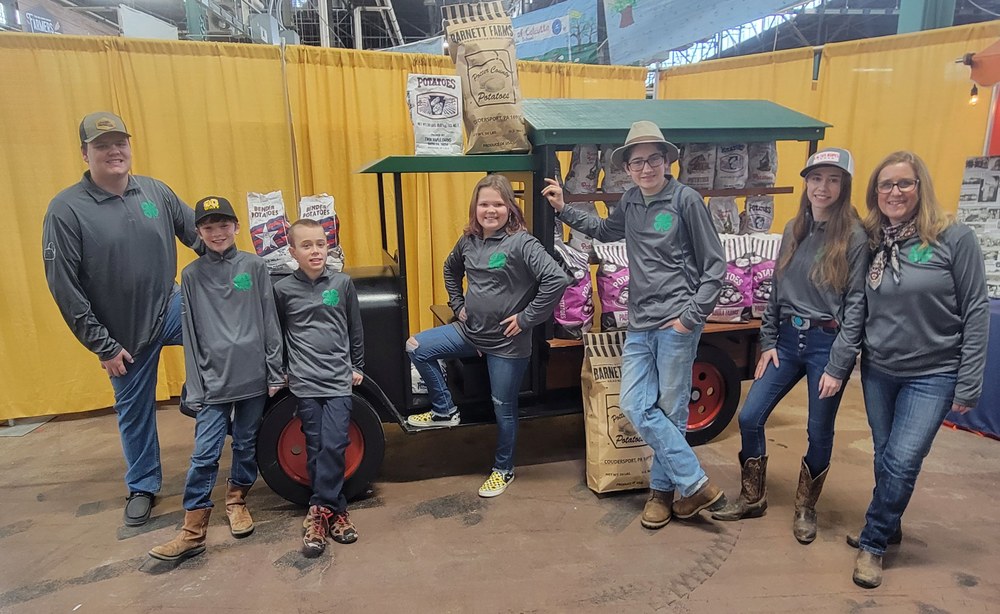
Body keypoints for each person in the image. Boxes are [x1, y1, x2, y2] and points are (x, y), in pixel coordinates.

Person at [542, 120, 728, 529]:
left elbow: (716, 266)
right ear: (627, 167)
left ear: (667, 161)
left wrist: (689, 318)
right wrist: (564, 208)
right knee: (634, 404)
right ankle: (695, 483)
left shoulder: (686, 201)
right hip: (639, 321)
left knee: (672, 410)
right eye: (637, 162)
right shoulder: (630, 200)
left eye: (653, 159)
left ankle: (661, 495)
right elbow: (606, 230)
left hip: (677, 321)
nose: (646, 168)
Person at [41, 112, 200, 527]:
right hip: (122, 336)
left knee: (227, 336)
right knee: (134, 411)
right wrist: (103, 345)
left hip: (171, 307)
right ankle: (144, 485)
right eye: (102, 145)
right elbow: (65, 288)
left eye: (120, 142)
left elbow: (201, 236)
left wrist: (243, 276)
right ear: (84, 153)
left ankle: (198, 396)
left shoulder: (156, 192)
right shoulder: (66, 210)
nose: (114, 151)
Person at [711, 148, 868, 545]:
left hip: (827, 343)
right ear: (806, 183)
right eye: (816, 178)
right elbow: (776, 291)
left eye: (833, 179)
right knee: (749, 416)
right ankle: (752, 496)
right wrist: (766, 341)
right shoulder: (793, 228)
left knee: (819, 429)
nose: (823, 187)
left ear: (845, 185)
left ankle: (805, 507)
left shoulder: (853, 236)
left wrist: (839, 364)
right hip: (786, 339)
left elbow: (857, 306)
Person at [850, 151, 989, 588]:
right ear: (875, 192)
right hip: (879, 369)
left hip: (934, 372)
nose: (894, 192)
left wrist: (968, 382)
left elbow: (977, 309)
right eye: (885, 184)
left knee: (904, 460)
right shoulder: (872, 239)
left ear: (920, 187)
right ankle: (889, 525)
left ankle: (873, 544)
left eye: (904, 183)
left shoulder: (953, 237)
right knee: (885, 455)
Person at [405, 175, 570, 498]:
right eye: (484, 204)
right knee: (416, 346)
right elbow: (450, 268)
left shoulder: (522, 243)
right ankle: (443, 409)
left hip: (507, 345)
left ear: (510, 207)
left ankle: (503, 469)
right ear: (475, 208)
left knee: (502, 407)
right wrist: (457, 304)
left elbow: (557, 280)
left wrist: (526, 318)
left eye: (498, 203)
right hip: (470, 333)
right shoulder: (469, 241)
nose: (490, 210)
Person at [147, 196, 284, 561]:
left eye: (224, 225)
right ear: (198, 233)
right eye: (208, 227)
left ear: (236, 227)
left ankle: (237, 501)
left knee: (245, 442)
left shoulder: (254, 267)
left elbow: (269, 319)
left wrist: (275, 370)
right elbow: (190, 333)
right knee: (204, 453)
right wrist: (195, 384)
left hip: (254, 376)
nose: (217, 232)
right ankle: (192, 531)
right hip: (212, 382)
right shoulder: (191, 276)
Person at [274, 219, 365, 558]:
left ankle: (318, 512)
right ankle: (337, 513)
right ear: (292, 251)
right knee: (315, 444)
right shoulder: (282, 290)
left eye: (321, 244)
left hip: (339, 379)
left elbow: (355, 327)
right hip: (304, 381)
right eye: (307, 245)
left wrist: (357, 366)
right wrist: (280, 371)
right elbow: (278, 334)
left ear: (329, 247)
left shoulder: (341, 283)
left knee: (335, 442)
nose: (315, 251)